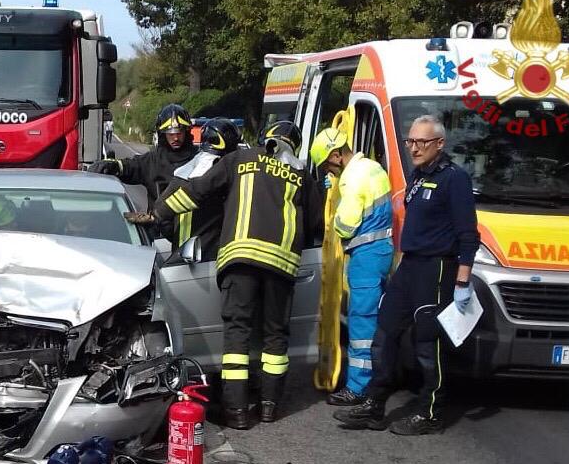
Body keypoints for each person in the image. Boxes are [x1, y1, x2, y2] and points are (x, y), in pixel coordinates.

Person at [131, 121, 322, 429]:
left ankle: (237, 412)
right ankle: (270, 408)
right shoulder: (302, 175)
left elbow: (197, 191)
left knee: (237, 334)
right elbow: (316, 225)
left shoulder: (241, 161)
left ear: (263, 139)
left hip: (240, 261)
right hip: (282, 266)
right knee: (275, 336)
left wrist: (158, 213)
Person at [334, 115, 479, 435]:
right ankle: (374, 404)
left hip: (437, 268)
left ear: (439, 144)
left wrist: (462, 280)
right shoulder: (418, 175)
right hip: (410, 265)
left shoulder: (454, 179)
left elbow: (468, 234)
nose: (414, 148)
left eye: (421, 142)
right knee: (384, 334)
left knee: (428, 344)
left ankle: (430, 412)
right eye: (410, 141)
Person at [309, 127, 394, 406]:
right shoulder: (372, 167)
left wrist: (333, 207)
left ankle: (358, 388)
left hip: (366, 255)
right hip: (382, 252)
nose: (329, 173)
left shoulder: (350, 180)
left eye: (327, 167)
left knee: (361, 323)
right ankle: (372, 380)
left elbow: (345, 226)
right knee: (374, 320)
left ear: (335, 156)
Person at [159, 117, 242, 260]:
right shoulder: (228, 176)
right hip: (208, 259)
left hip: (181, 255)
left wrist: (175, 237)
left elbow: (162, 215)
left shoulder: (185, 170)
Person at [88, 104, 197, 206]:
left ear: (186, 132)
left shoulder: (200, 161)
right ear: (162, 135)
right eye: (171, 134)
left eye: (179, 133)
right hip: (157, 225)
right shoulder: (153, 161)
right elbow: (131, 166)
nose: (176, 138)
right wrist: (113, 166)